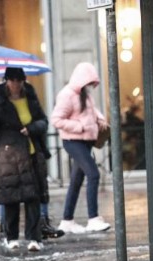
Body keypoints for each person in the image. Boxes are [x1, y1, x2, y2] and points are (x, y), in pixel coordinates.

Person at [0, 67, 48, 252]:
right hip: (8, 155)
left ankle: (35, 237)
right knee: (11, 196)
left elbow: (43, 121)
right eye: (12, 80)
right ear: (6, 81)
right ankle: (11, 237)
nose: (16, 84)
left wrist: (31, 128)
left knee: (32, 196)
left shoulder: (30, 98)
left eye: (19, 80)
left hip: (30, 152)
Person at [51, 62, 111, 234]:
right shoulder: (66, 95)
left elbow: (92, 111)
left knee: (76, 181)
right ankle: (93, 218)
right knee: (93, 174)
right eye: (88, 82)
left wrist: (100, 120)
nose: (90, 86)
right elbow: (56, 120)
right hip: (73, 141)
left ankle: (67, 220)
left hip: (85, 142)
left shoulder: (85, 94)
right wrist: (79, 126)